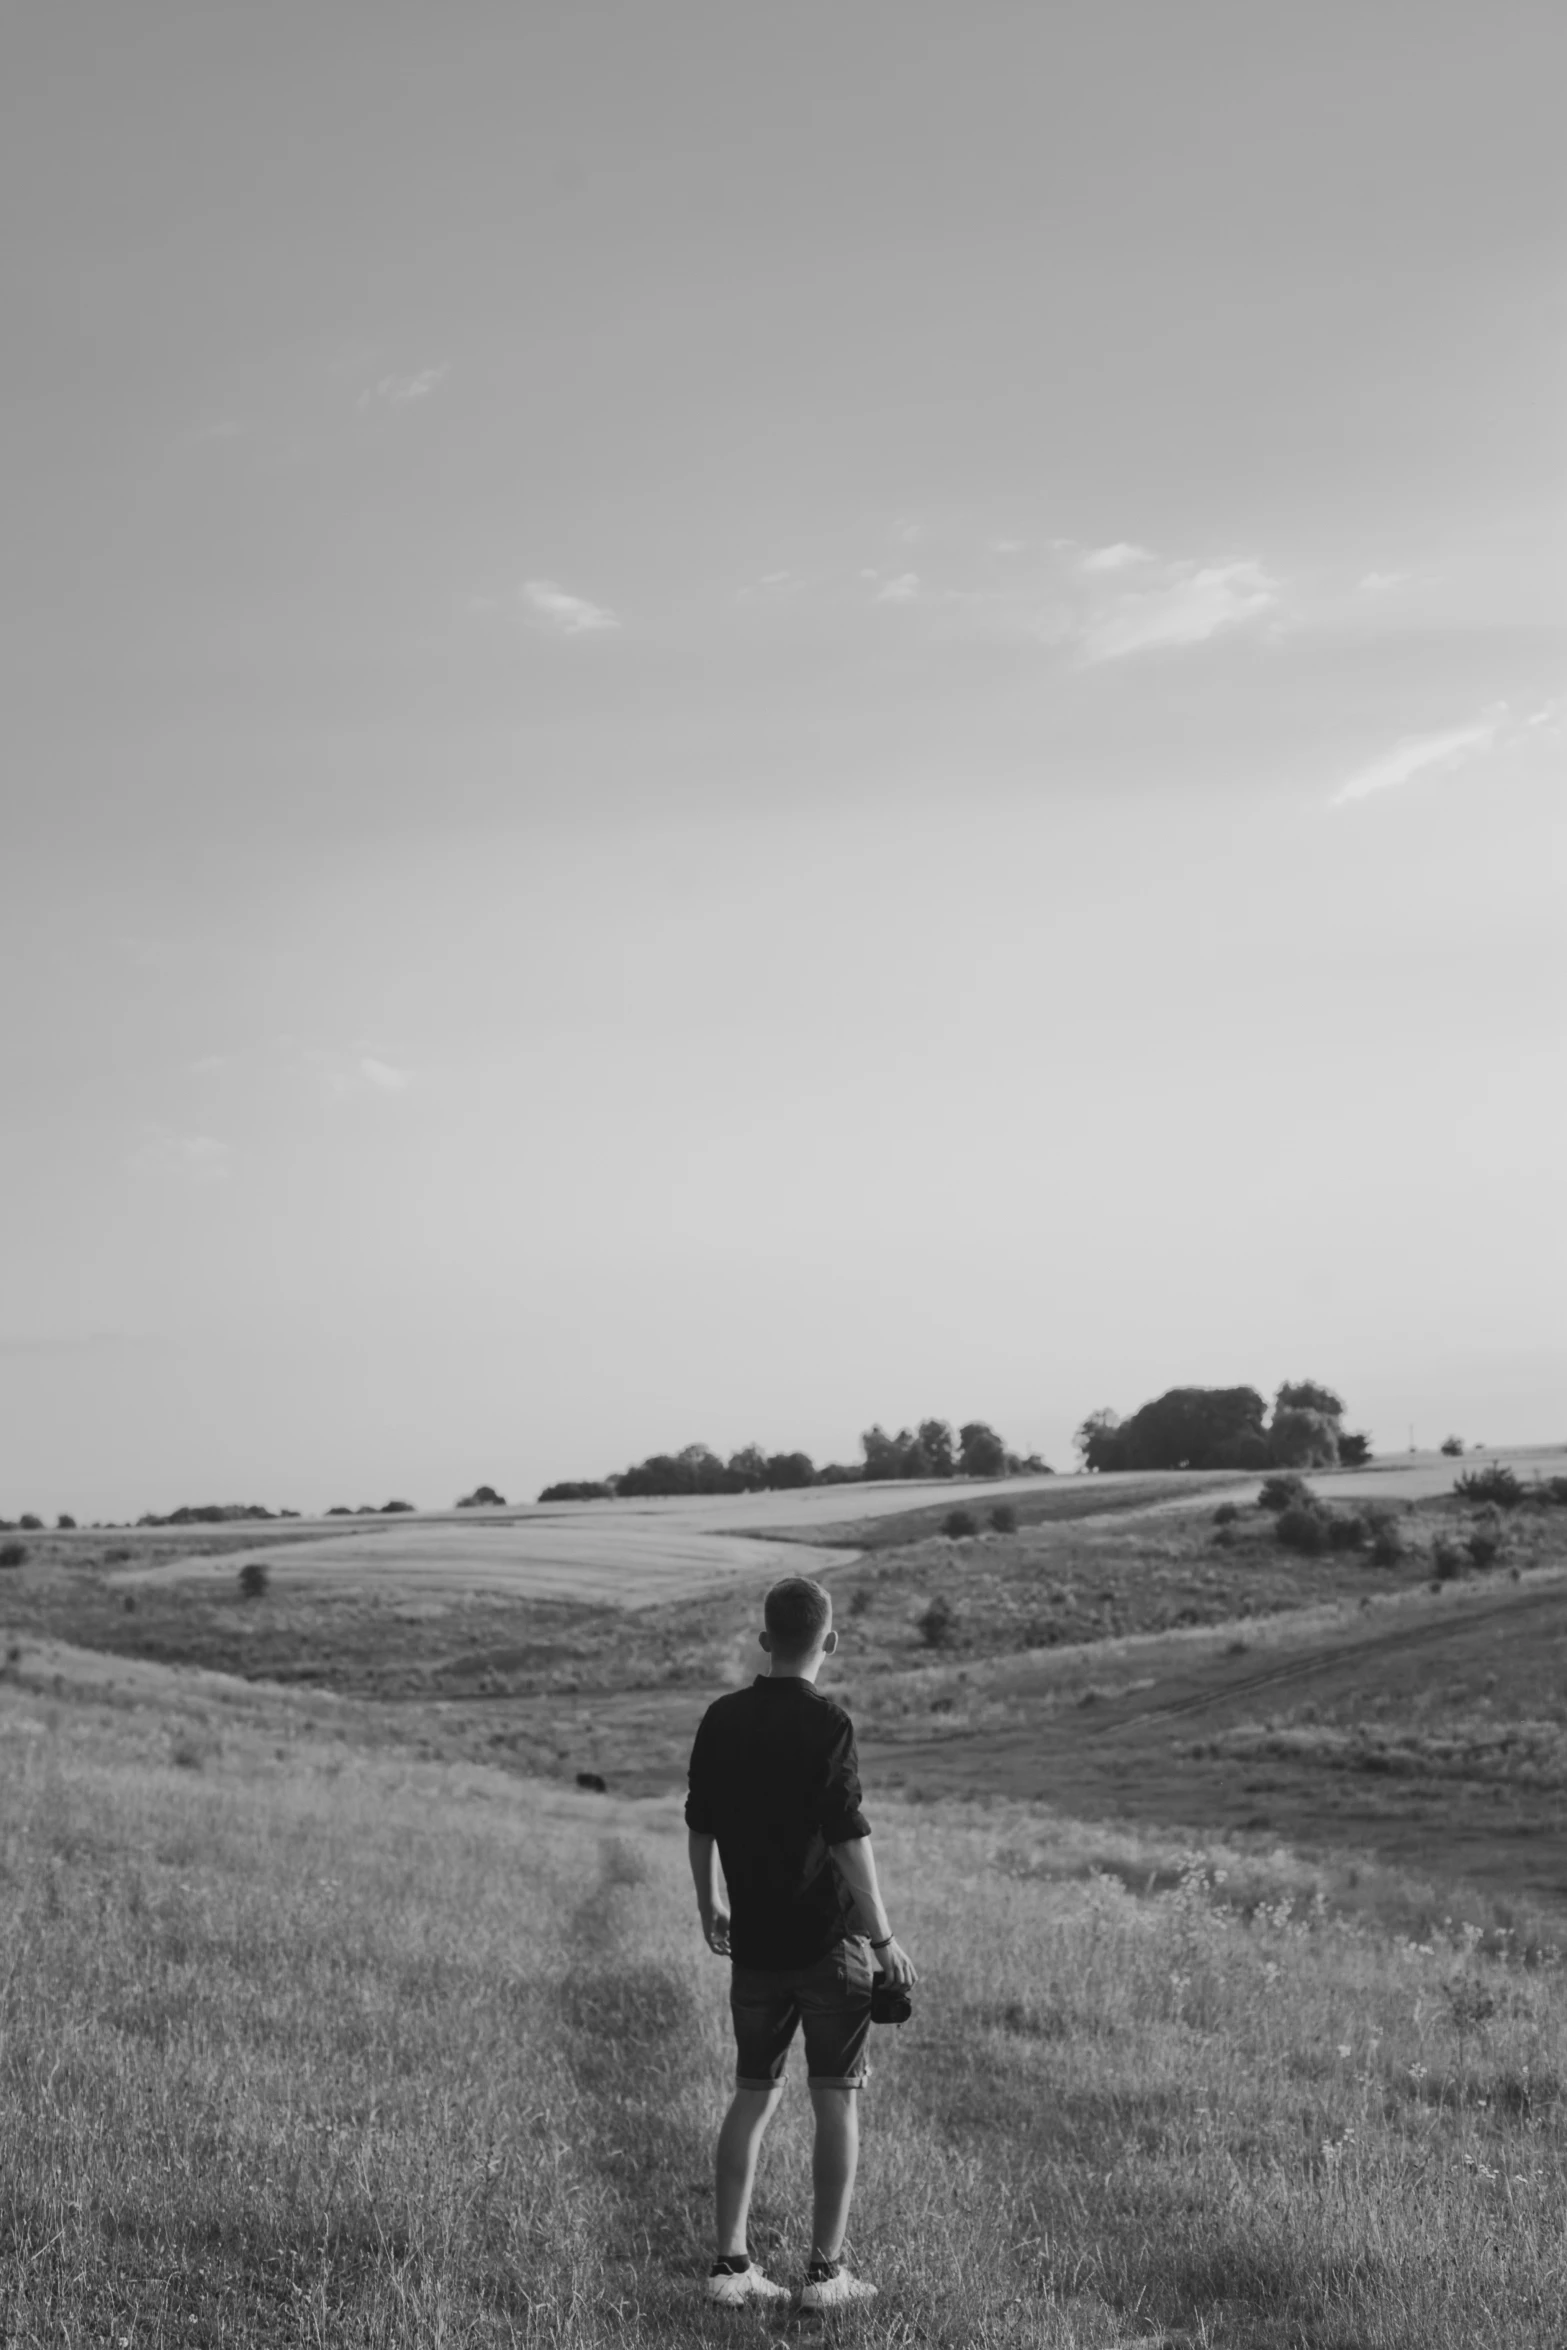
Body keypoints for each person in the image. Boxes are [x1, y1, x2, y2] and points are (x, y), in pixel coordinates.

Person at [685, 1574, 917, 2308]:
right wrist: (881, 1937)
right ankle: (825, 2275)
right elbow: (848, 1837)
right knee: (835, 2102)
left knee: (750, 2096)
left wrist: (708, 1904)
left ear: (764, 1641)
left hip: (753, 1945)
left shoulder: (720, 1717)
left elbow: (700, 1822)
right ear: (831, 1641)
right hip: (830, 1943)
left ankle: (730, 2269)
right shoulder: (829, 1723)